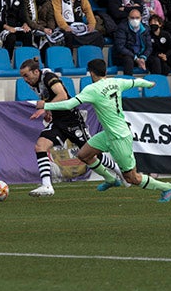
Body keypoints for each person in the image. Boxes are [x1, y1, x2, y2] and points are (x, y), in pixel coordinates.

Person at [34, 58, 171, 202]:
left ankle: (167, 187)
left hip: (119, 138)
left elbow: (69, 104)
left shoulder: (92, 89)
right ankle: (110, 179)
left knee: (131, 177)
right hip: (108, 134)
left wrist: (45, 105)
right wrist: (149, 84)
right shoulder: (116, 82)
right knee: (84, 154)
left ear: (91, 73)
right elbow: (136, 82)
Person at [20, 59, 123, 197]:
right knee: (40, 146)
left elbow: (62, 95)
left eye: (26, 75)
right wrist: (49, 112)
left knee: (92, 154)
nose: (25, 79)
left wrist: (45, 107)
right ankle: (47, 185)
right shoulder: (36, 84)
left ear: (36, 71)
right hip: (58, 122)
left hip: (72, 120)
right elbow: (51, 98)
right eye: (23, 76)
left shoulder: (48, 77)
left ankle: (119, 171)